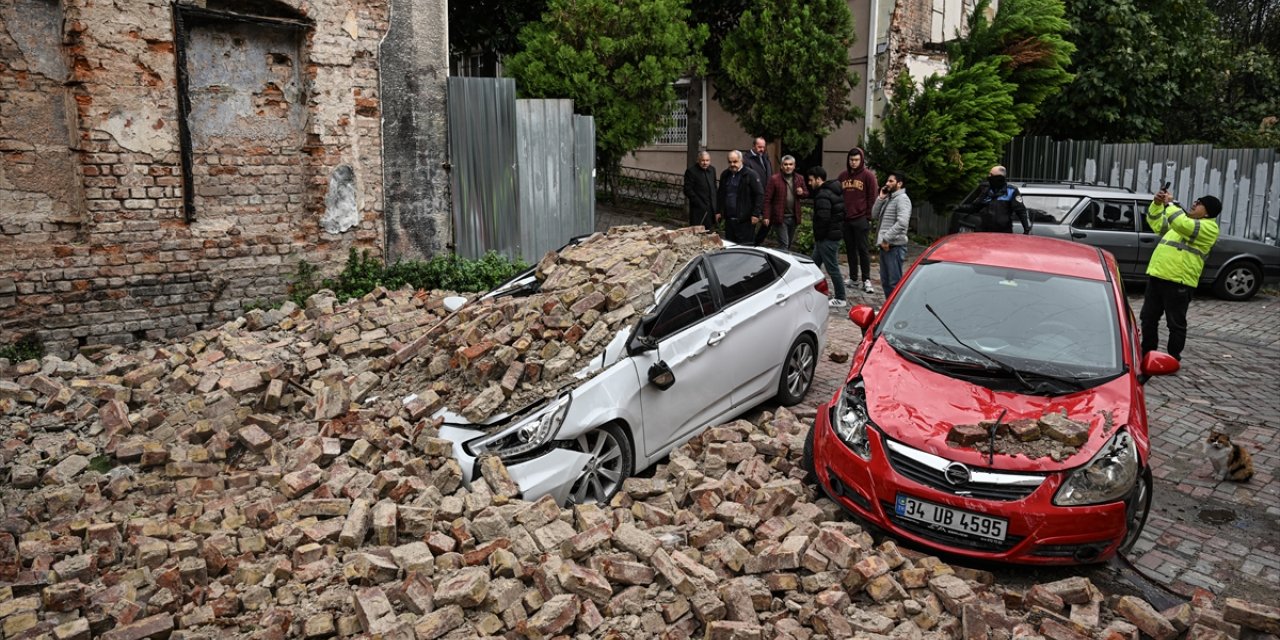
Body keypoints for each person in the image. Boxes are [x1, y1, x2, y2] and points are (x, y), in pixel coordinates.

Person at [1140, 189, 1221, 362]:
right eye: (1195, 200)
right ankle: (1147, 353)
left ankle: (1172, 358)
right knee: (1148, 318)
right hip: (1158, 276)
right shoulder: (1182, 223)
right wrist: (1157, 204)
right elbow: (1156, 224)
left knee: (1175, 323)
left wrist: (1169, 203)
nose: (1194, 204)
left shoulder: (1209, 228)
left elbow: (1180, 223)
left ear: (1208, 211)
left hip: (1179, 281)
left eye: (1199, 203)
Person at [838, 148, 879, 294]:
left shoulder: (868, 176)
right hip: (846, 219)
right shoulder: (843, 176)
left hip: (861, 218)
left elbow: (872, 197)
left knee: (863, 250)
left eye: (856, 160)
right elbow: (838, 196)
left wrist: (868, 217)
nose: (853, 162)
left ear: (861, 160)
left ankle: (866, 279)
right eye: (851, 160)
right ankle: (854, 277)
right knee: (850, 250)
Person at [806, 167, 848, 307]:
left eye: (811, 180)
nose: (809, 183)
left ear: (819, 179)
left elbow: (824, 218)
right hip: (829, 236)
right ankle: (808, 290)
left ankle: (840, 297)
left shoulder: (823, 194)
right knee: (813, 265)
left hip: (827, 237)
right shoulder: (833, 191)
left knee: (832, 268)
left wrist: (820, 236)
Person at [953, 165, 1031, 234]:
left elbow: (1021, 211)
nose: (988, 176)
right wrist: (957, 207)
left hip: (1003, 234)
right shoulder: (986, 190)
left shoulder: (1011, 191)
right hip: (984, 232)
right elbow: (974, 207)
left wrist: (1026, 229)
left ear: (999, 178)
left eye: (991, 175)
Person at [872, 172, 912, 297]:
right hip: (886, 246)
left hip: (894, 246)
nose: (887, 184)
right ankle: (888, 312)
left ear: (899, 184)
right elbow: (874, 215)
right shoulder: (890, 198)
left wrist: (886, 239)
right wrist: (880, 198)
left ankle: (896, 311)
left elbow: (902, 223)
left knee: (894, 283)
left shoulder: (902, 199)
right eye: (887, 181)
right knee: (886, 282)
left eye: (891, 181)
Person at [759, 155, 807, 248]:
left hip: (793, 216)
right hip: (780, 217)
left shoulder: (799, 178)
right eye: (785, 164)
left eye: (790, 164)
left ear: (794, 166)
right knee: (784, 243)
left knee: (788, 244)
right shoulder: (774, 179)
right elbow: (767, 199)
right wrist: (766, 216)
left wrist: (802, 192)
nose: (788, 167)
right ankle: (781, 262)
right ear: (781, 166)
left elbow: (806, 193)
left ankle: (783, 260)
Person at [716, 150, 765, 244]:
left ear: (741, 160)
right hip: (729, 220)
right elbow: (721, 194)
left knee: (745, 247)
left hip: (745, 221)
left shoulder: (750, 174)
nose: (732, 164)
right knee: (730, 246)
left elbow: (759, 194)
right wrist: (718, 211)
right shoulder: (725, 175)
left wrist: (756, 214)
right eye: (730, 162)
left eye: (735, 161)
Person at [683, 151, 718, 230]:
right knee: (697, 233)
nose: (705, 163)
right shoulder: (691, 171)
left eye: (707, 160)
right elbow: (687, 190)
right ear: (698, 160)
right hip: (698, 210)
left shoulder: (712, 170)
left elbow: (714, 187)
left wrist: (716, 206)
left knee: (710, 233)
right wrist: (700, 204)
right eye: (703, 160)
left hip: (711, 209)